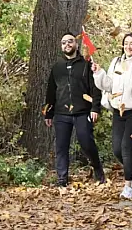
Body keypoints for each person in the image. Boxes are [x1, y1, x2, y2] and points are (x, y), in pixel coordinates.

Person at [93, 34, 132, 199]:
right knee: (116, 149)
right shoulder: (116, 62)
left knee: (126, 147)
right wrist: (98, 72)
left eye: (131, 44)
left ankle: (128, 186)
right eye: (126, 44)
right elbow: (108, 85)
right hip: (118, 111)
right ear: (122, 46)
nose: (128, 47)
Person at [44, 32, 105, 187]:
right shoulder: (57, 67)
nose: (67, 45)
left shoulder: (86, 65)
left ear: (76, 44)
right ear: (61, 46)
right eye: (64, 42)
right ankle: (62, 179)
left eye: (70, 41)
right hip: (61, 114)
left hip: (82, 112)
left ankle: (97, 168)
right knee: (61, 147)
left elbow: (95, 89)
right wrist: (48, 113)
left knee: (86, 142)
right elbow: (51, 91)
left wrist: (95, 108)